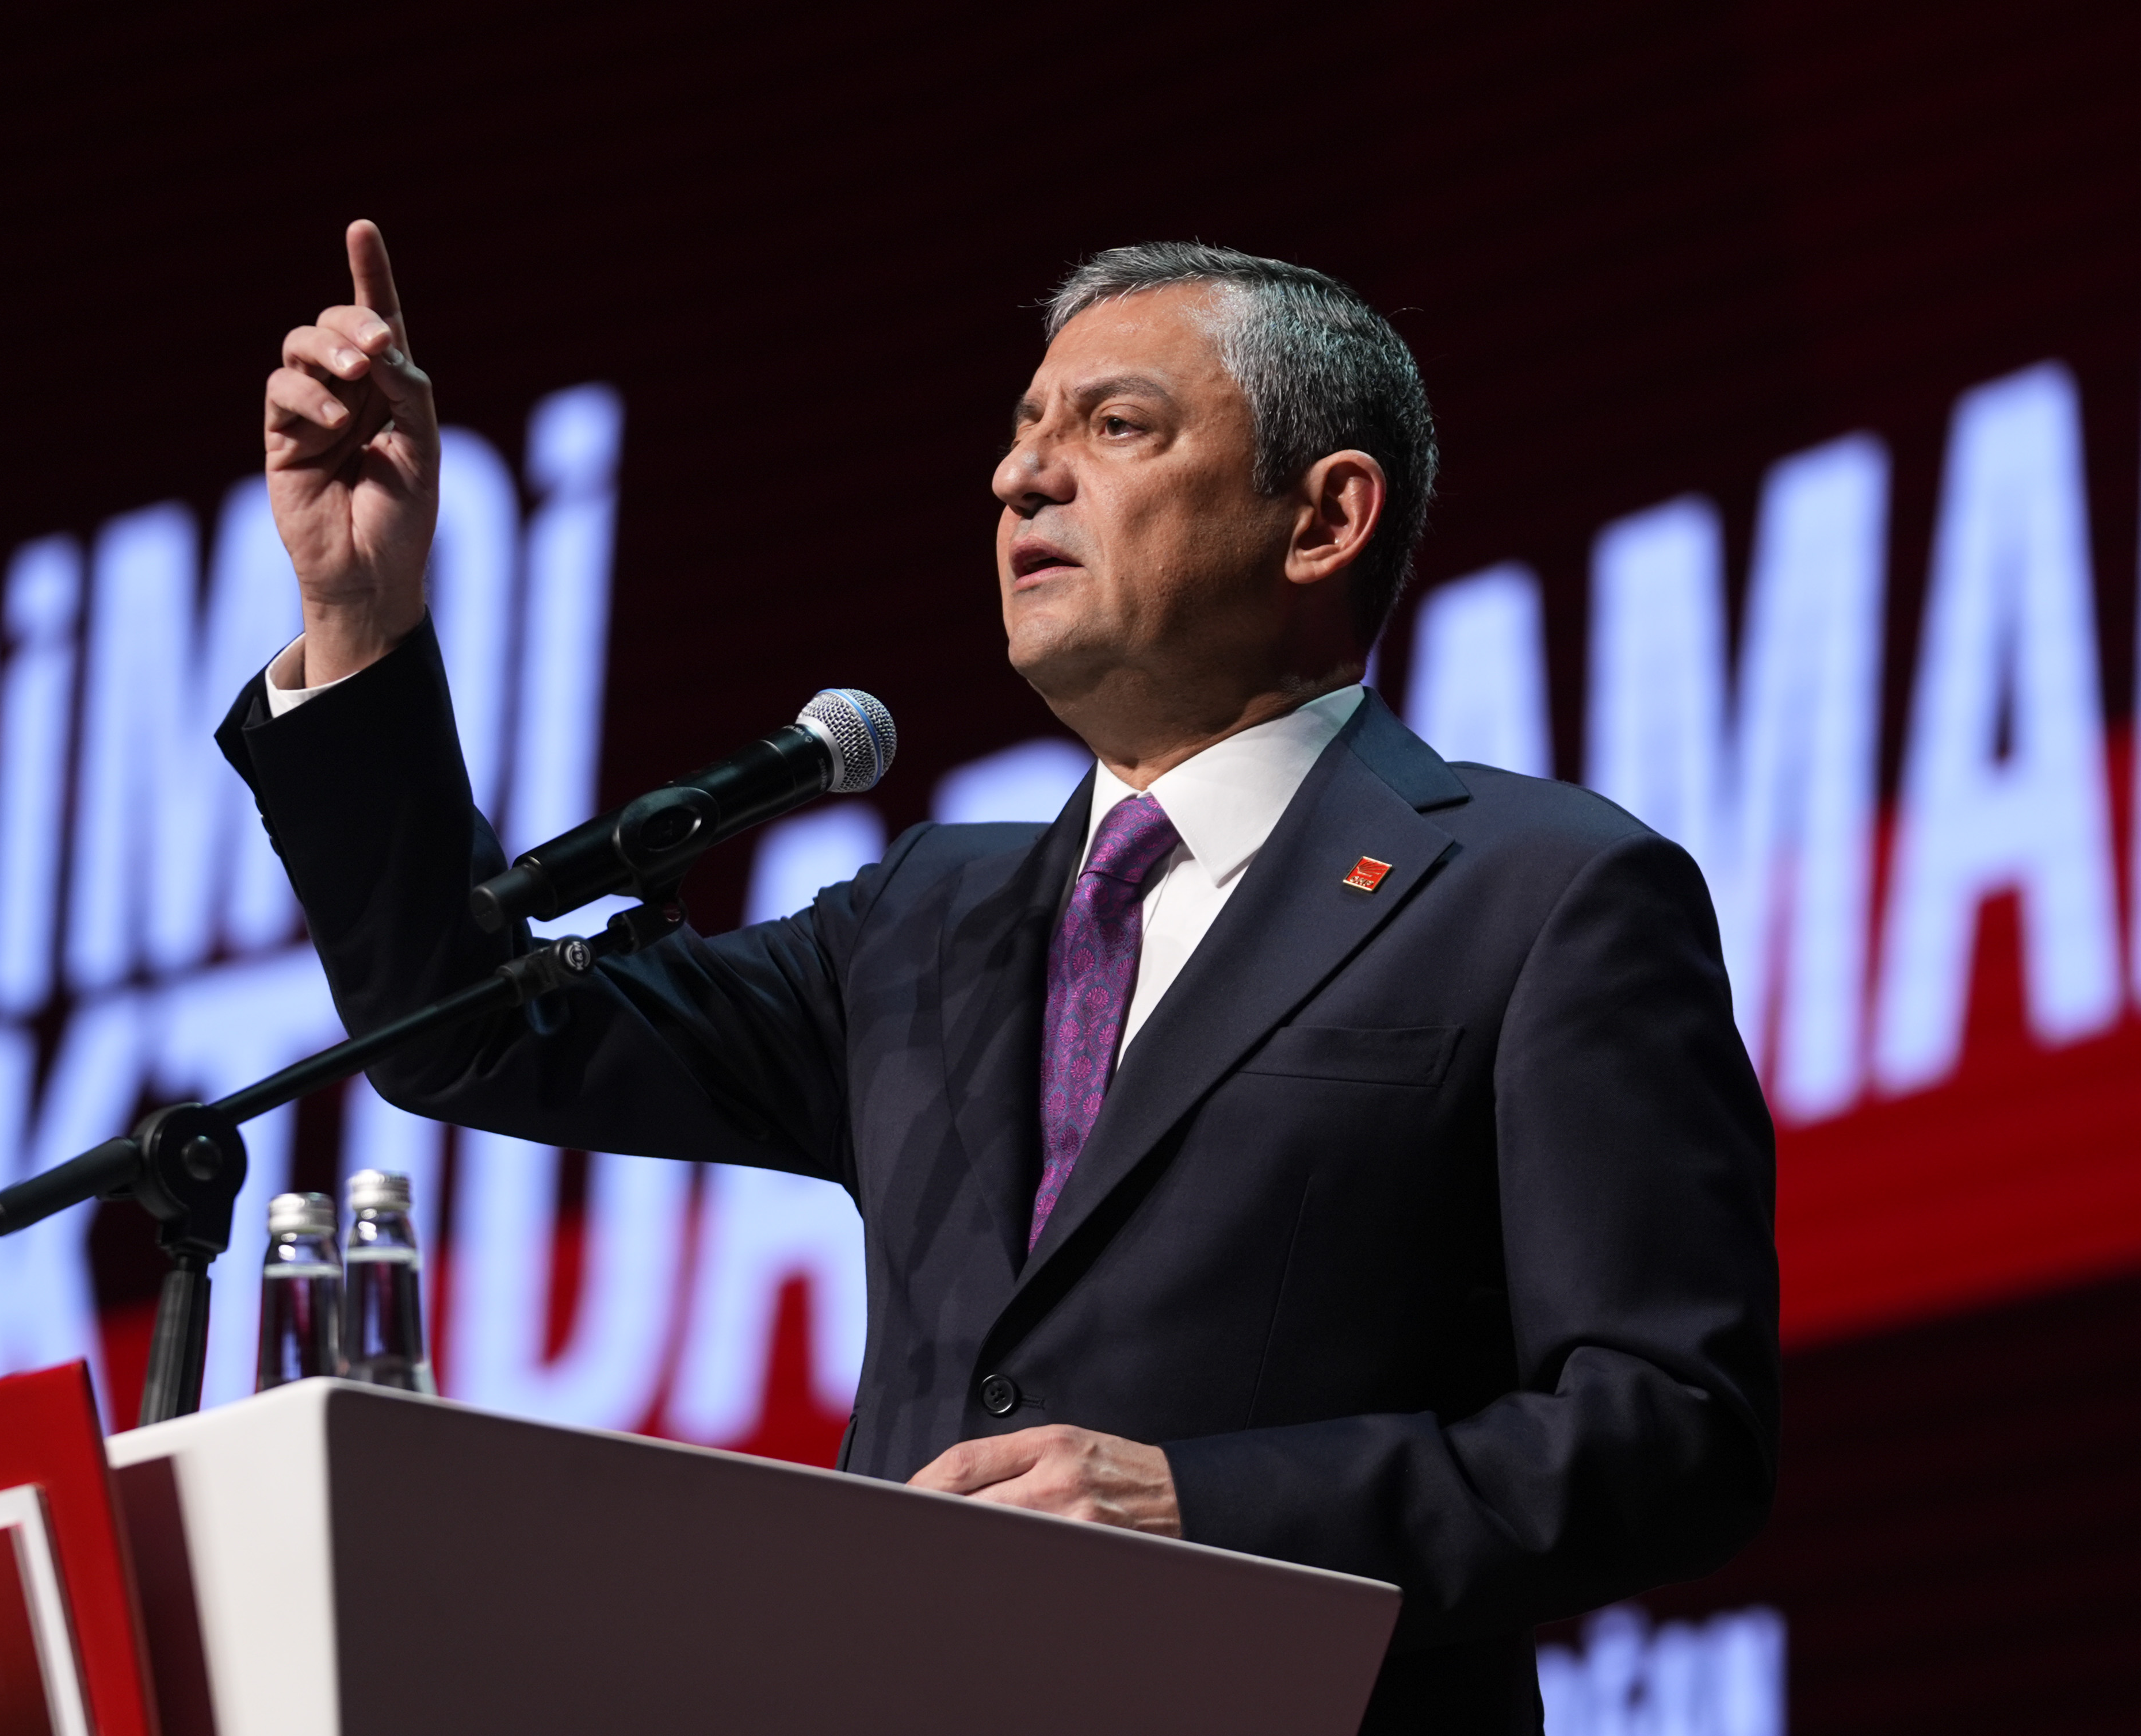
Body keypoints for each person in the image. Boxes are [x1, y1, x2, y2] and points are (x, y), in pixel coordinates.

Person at [224, 221, 1778, 1734]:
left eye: (1115, 425)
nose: (1021, 475)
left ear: (1324, 518)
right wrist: (360, 616)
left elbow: (1670, 1429)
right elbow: (475, 1031)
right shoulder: (927, 914)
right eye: (1024, 429)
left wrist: (1204, 1509)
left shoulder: (1539, 894)